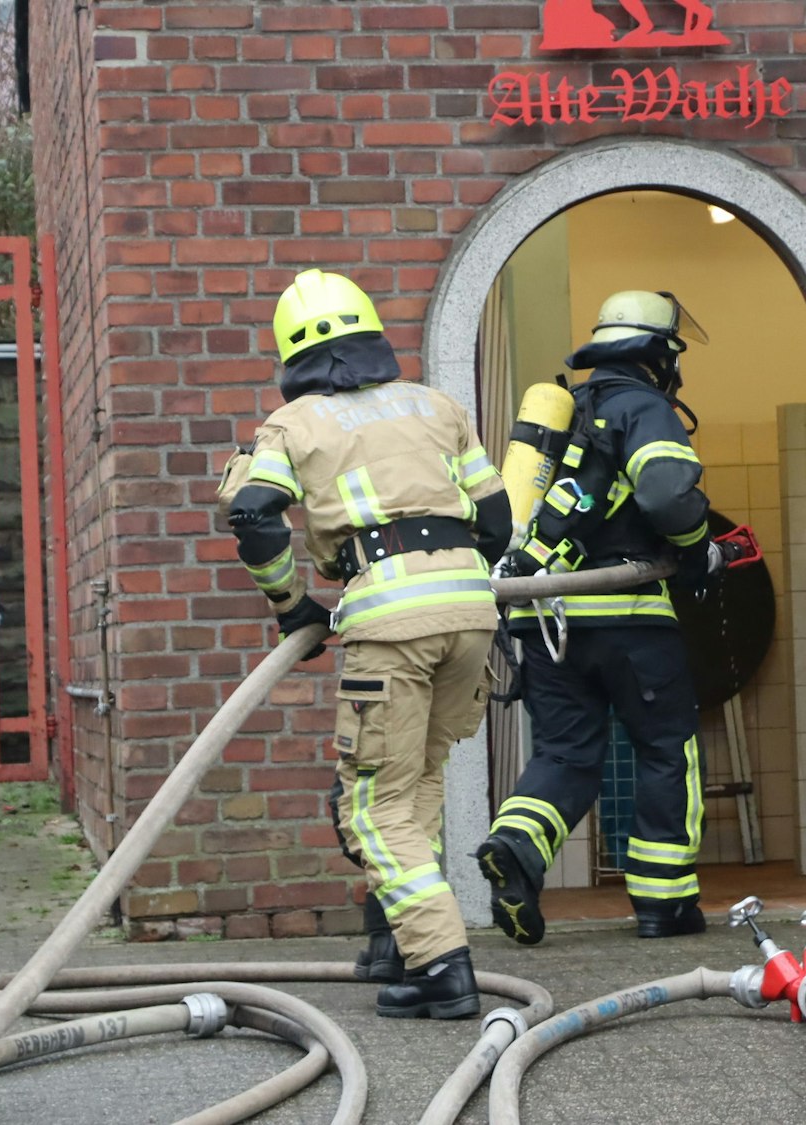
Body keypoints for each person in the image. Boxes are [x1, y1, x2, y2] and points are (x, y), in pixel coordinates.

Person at [221, 269, 510, 1019]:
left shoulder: (295, 425)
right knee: (415, 786)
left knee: (373, 810)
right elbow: (499, 519)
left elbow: (254, 516)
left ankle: (444, 968)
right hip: (472, 609)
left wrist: (292, 605)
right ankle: (397, 947)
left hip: (388, 615)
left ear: (291, 352)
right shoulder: (436, 404)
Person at [476, 290, 750, 944]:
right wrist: (697, 553)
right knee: (665, 747)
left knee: (566, 752)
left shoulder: (565, 414)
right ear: (660, 355)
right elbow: (664, 493)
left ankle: (516, 844)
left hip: (544, 618)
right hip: (629, 619)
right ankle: (664, 903)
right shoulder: (641, 407)